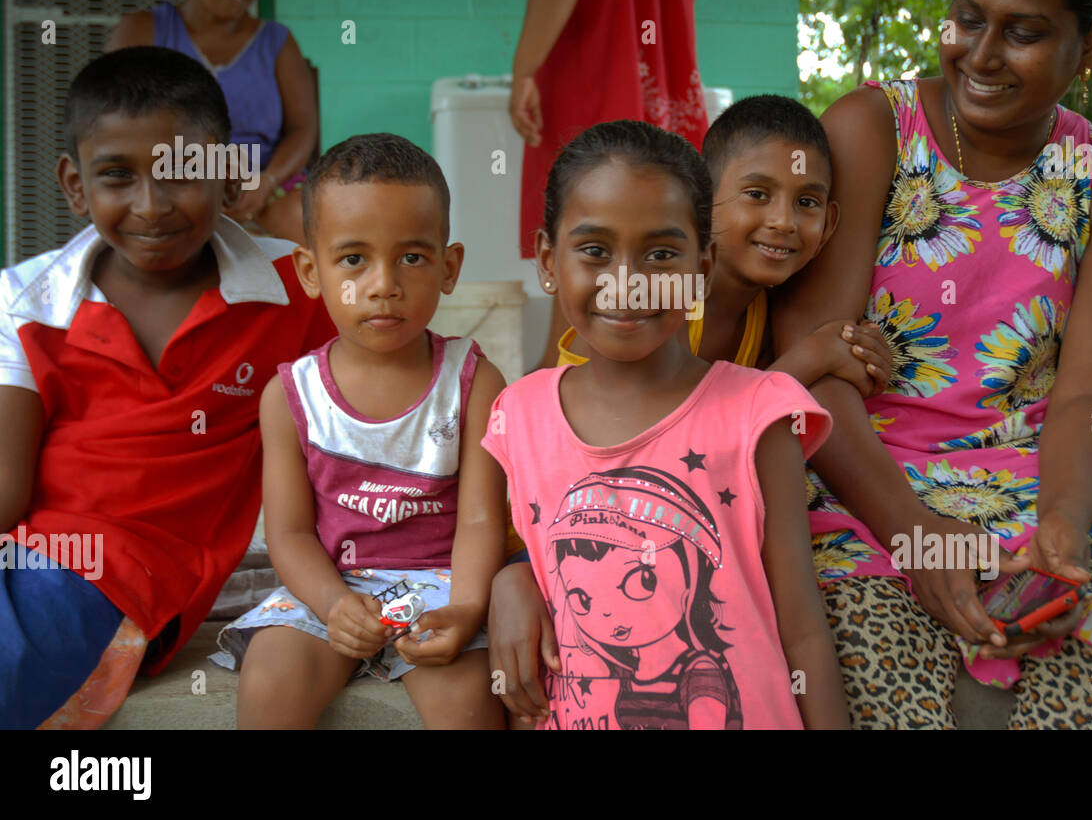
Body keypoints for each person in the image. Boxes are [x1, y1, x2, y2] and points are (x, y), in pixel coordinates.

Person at [773, 0, 1092, 728]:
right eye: (968, 20)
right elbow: (811, 364)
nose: (982, 55)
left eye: (1023, 32)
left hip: (1042, 481)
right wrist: (916, 536)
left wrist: (1062, 530)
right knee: (865, 659)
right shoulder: (871, 132)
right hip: (862, 477)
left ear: (1091, 44)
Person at [488, 96, 893, 725]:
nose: (628, 281)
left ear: (701, 264)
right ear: (547, 261)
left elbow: (803, 632)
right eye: (595, 250)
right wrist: (508, 580)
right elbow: (527, 547)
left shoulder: (762, 405)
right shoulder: (519, 417)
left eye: (660, 254)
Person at [0, 46, 336, 729]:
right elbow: (7, 488)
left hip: (113, 581)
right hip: (23, 562)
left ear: (230, 175)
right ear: (73, 184)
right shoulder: (26, 301)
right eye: (117, 177)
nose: (150, 206)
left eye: (182, 174)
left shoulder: (294, 292)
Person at [209, 134, 508, 729]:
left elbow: (480, 521)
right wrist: (333, 604)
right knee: (271, 678)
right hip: (330, 584)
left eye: (412, 258)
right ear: (309, 271)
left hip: (444, 587)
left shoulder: (473, 382)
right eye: (353, 259)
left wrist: (469, 609)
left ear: (449, 268)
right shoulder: (291, 396)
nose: (382, 284)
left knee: (468, 704)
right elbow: (290, 533)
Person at [510, 0, 707, 367]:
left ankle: (556, 391)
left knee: (587, 240)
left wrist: (524, 67)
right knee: (654, 251)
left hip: (593, 78)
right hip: (659, 85)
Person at [105, 0, 317, 243]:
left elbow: (302, 129)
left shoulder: (276, 42)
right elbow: (114, 119)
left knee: (308, 230)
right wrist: (197, 177)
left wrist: (267, 181)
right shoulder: (143, 29)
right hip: (168, 176)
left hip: (260, 184)